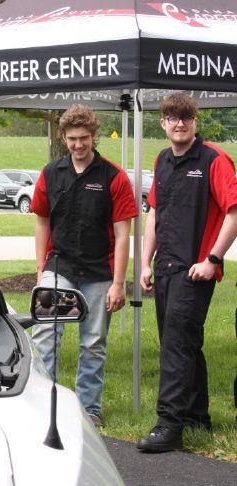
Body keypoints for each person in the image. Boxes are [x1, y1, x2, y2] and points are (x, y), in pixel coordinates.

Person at [137, 92, 237, 452]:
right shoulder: (162, 160)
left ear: (196, 122)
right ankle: (197, 415)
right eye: (172, 117)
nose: (179, 123)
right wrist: (145, 262)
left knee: (177, 346)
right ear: (163, 123)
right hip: (164, 268)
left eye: (186, 117)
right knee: (183, 343)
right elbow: (154, 214)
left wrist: (212, 259)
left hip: (195, 272)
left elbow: (233, 212)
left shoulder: (214, 160)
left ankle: (169, 423)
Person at [30, 104, 138, 427]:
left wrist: (119, 283)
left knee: (93, 342)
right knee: (45, 335)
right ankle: (40, 405)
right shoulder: (51, 173)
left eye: (84, 138)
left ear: (94, 137)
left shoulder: (113, 177)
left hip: (98, 272)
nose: (78, 145)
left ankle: (89, 409)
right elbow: (41, 222)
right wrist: (40, 269)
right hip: (58, 266)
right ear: (64, 137)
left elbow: (123, 234)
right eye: (73, 138)